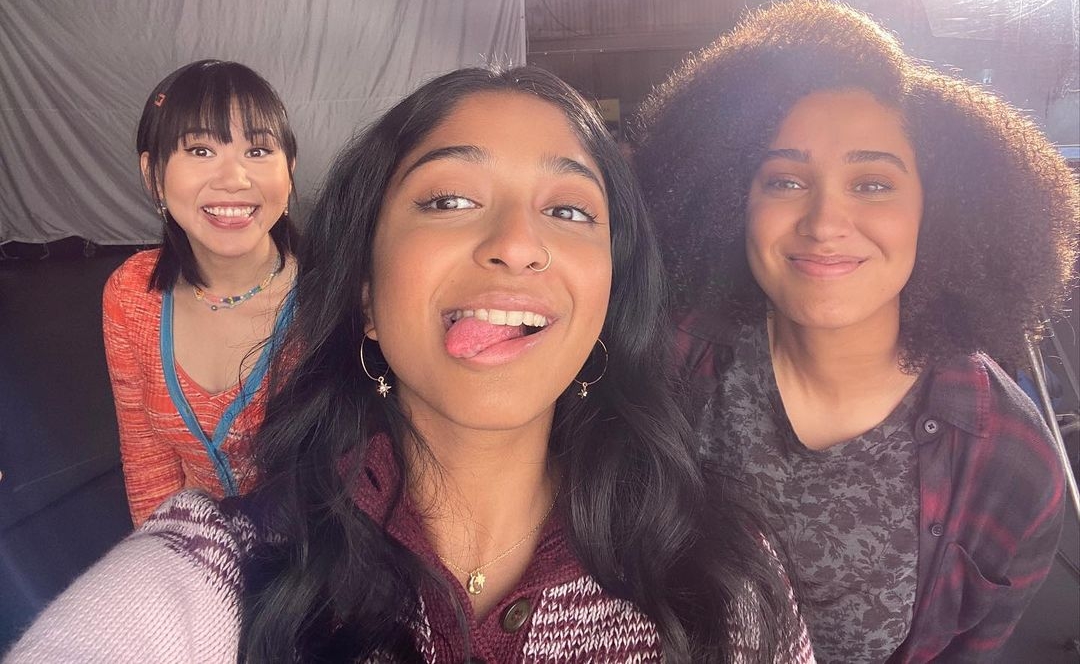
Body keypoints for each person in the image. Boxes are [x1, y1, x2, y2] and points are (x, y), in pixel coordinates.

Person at [6, 66, 813, 663]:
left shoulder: (726, 583)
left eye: (569, 209)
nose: (517, 243)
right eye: (449, 199)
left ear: (610, 294)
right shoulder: (225, 572)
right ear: (363, 289)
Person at [633, 0, 1079, 663]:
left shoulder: (1011, 463)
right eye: (784, 181)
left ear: (941, 210)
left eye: (871, 184)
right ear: (732, 201)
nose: (823, 222)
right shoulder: (662, 358)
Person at [103, 59, 299, 526]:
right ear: (153, 174)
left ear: (289, 170)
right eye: (200, 150)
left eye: (257, 150)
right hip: (198, 540)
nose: (234, 179)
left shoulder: (336, 293)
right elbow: (148, 460)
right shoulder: (130, 294)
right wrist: (169, 552)